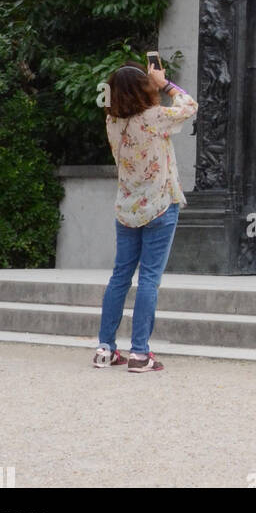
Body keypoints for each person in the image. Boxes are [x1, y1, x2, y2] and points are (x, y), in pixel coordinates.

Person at [93, 62, 198, 373]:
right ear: (143, 90)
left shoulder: (111, 121)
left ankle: (104, 348)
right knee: (149, 280)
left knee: (119, 278)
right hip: (160, 206)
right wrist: (164, 84)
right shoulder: (154, 118)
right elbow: (189, 105)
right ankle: (140, 353)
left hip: (126, 209)